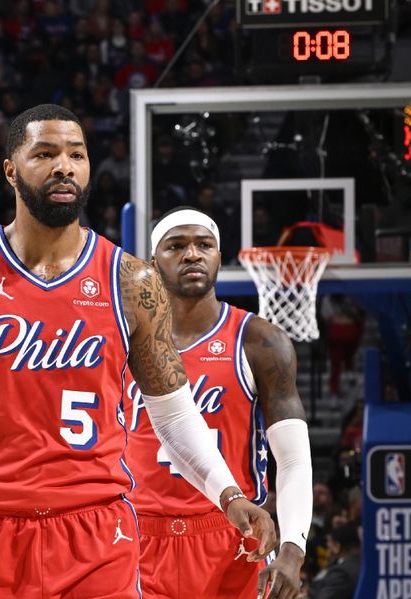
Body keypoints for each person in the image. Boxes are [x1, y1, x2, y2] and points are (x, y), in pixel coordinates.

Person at [0, 104, 276, 598]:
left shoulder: (132, 282)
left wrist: (229, 494)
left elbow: (175, 416)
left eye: (76, 154)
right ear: (10, 170)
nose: (64, 166)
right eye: (45, 153)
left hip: (95, 534)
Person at [123, 207, 313, 598]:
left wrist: (293, 548)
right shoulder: (121, 341)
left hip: (233, 535)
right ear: (152, 263)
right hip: (134, 535)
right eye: (176, 246)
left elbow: (292, 459)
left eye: (203, 245)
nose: (192, 254)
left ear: (218, 258)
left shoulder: (260, 342)